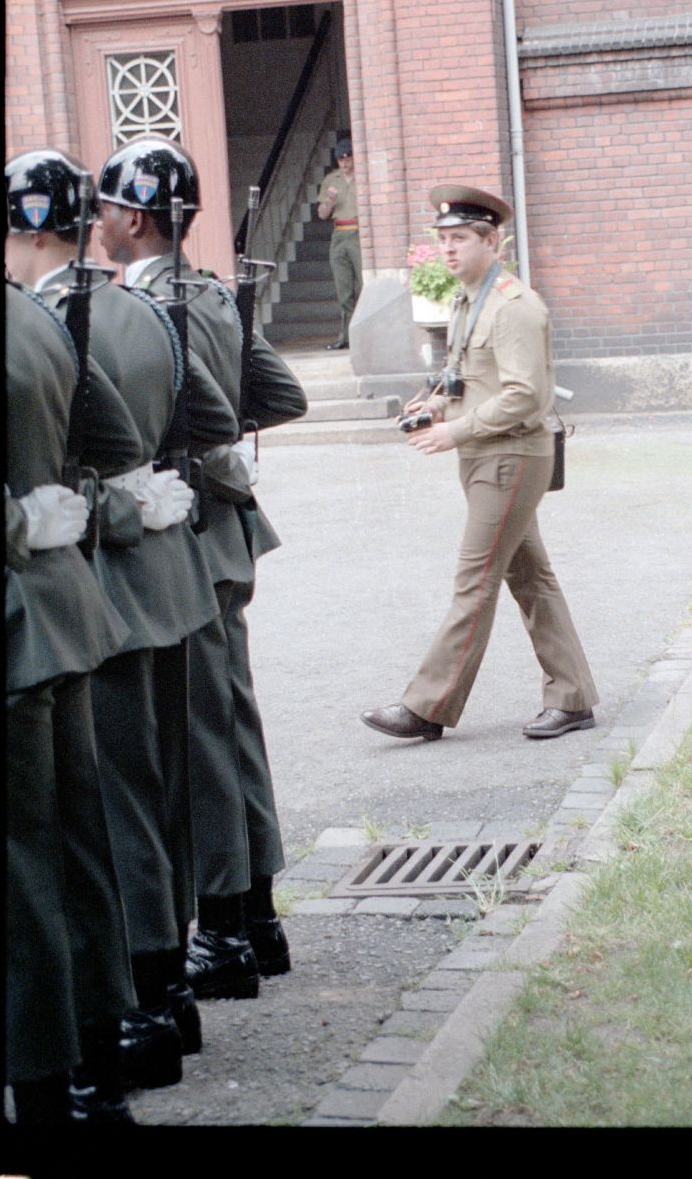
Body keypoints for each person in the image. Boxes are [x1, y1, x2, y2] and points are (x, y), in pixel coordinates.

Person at [5, 148, 235, 1092]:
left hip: (67, 600)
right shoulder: (91, 315)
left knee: (82, 829)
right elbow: (151, 439)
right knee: (120, 812)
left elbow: (104, 462)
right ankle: (123, 1027)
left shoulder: (59, 314)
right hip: (111, 595)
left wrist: (62, 511)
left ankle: (93, 1043)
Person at [95, 137, 308, 1001]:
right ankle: (256, 916)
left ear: (135, 216)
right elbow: (281, 396)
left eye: (107, 207)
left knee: (198, 748)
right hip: (228, 536)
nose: (99, 224)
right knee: (229, 729)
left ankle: (222, 930)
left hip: (179, 541)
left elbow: (198, 418)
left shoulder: (140, 312)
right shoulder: (214, 296)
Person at [361, 185, 599, 743]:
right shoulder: (470, 298)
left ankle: (426, 706)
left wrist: (454, 430)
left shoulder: (514, 306)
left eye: (461, 238)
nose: (449, 249)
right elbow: (468, 372)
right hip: (487, 455)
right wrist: (435, 403)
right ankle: (573, 698)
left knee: (475, 581)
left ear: (492, 241)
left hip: (510, 455)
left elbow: (525, 395)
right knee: (530, 576)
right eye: (442, 239)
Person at [4, 272, 143, 1124]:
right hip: (59, 609)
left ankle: (47, 1087)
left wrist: (20, 523)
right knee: (77, 842)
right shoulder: (36, 311)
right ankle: (101, 1061)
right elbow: (116, 442)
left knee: (21, 868)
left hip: (9, 613)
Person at [316, 137, 361, 350]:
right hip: (340, 233)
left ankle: (364, 335)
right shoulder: (331, 180)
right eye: (340, 158)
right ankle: (346, 336)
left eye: (347, 157)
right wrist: (330, 200)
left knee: (362, 285)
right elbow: (322, 214)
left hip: (359, 232)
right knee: (343, 289)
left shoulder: (363, 176)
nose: (344, 162)